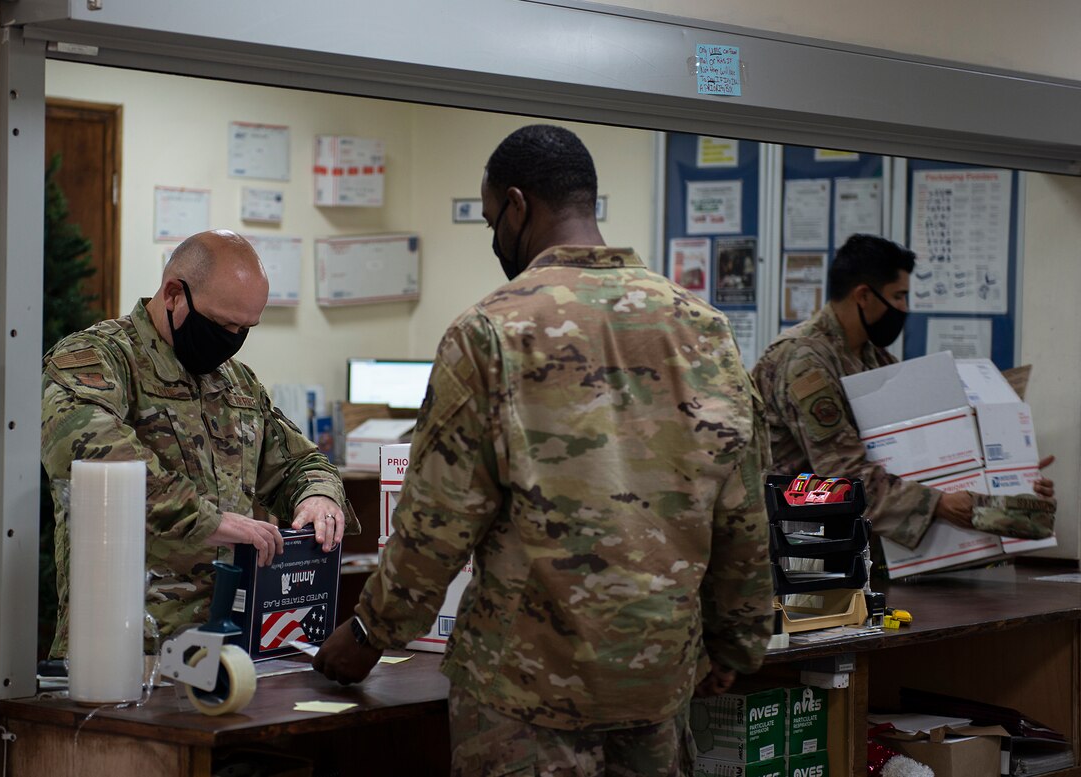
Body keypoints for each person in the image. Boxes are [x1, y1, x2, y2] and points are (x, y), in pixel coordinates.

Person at [313, 125, 774, 775]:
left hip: (523, 698)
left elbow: (435, 524)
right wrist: (736, 642)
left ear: (518, 206)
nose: (494, 236)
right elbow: (742, 509)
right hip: (657, 685)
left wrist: (367, 636)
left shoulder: (489, 332)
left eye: (489, 218)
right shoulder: (705, 331)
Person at [41, 229, 354, 657]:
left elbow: (299, 462)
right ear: (173, 294)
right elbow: (93, 457)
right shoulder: (97, 360)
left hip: (229, 649)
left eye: (246, 328)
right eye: (224, 325)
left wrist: (318, 497)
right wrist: (208, 521)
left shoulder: (236, 382)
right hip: (125, 649)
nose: (232, 339)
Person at [752, 233, 1054, 549]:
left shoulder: (873, 357)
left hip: (853, 543)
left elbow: (916, 453)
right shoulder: (804, 362)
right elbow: (843, 476)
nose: (904, 308)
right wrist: (937, 504)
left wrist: (1011, 475)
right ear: (864, 295)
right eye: (898, 296)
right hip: (799, 547)